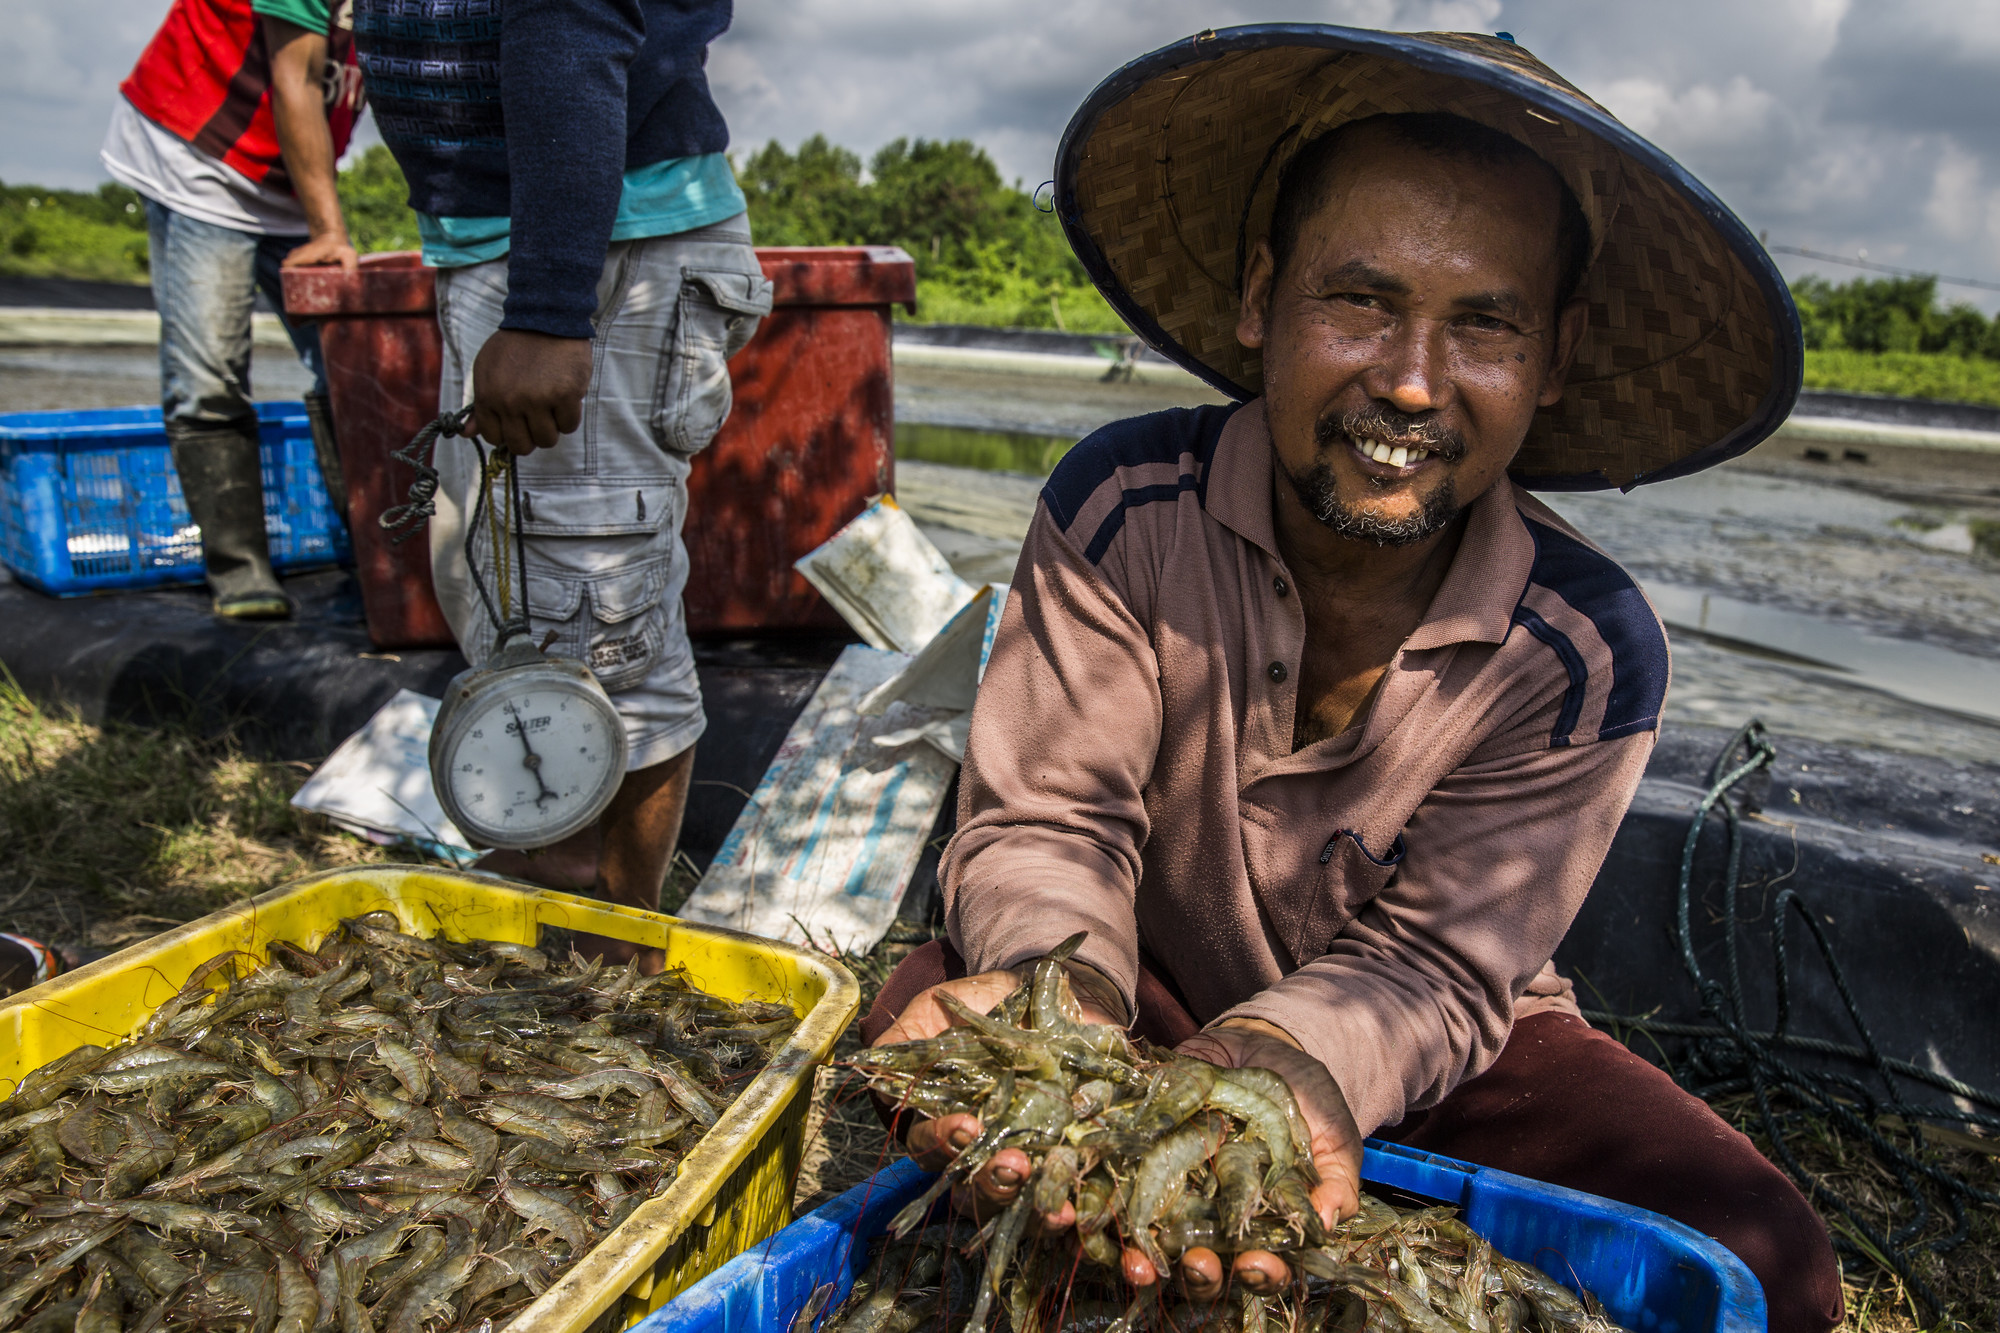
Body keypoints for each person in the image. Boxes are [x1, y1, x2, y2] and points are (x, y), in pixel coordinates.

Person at [863, 27, 1842, 1333]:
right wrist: (1072, 1006)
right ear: (1264, 297)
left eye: (1485, 324)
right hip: (1128, 975)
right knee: (922, 1056)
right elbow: (1052, 820)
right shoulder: (1121, 505)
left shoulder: (1588, 647)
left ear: (1552, 360)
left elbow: (1441, 964)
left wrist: (1278, 1065)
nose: (1411, 380)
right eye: (1361, 301)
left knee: (1772, 1260)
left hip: (1421, 1039)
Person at [353, 0, 771, 964]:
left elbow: (568, 21)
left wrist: (548, 309)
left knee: (600, 650)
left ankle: (606, 966)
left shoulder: (556, 287)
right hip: (540, 236)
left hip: (586, 251)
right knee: (527, 616)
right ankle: (567, 938)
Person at [102, 0, 365, 619]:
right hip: (203, 157)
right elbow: (295, 76)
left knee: (355, 373)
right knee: (210, 373)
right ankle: (239, 571)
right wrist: (330, 230)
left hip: (297, 169)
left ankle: (381, 560)